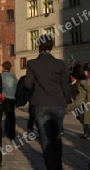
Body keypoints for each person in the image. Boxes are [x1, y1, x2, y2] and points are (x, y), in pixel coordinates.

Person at [24, 34, 71, 170]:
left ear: (38, 47)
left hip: (40, 103)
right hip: (58, 104)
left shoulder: (32, 64)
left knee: (45, 139)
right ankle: (58, 166)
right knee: (56, 137)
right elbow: (65, 86)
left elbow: (27, 84)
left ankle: (51, 167)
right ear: (51, 47)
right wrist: (67, 100)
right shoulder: (60, 64)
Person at [70, 64, 89, 138]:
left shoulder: (79, 82)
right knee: (81, 117)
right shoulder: (81, 80)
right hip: (80, 101)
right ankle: (87, 131)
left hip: (80, 101)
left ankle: (87, 132)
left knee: (82, 117)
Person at [0, 61, 17, 140]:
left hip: (3, 98)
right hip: (12, 99)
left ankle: (1, 132)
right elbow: (17, 88)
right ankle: (11, 133)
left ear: (3, 67)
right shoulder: (14, 77)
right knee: (11, 116)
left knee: (1, 116)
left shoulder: (0, 76)